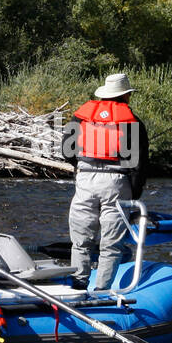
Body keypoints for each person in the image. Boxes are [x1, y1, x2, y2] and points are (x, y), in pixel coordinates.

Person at [61, 72, 149, 290]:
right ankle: (101, 292)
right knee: (111, 245)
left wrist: (82, 168)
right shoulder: (133, 122)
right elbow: (139, 166)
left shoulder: (81, 117)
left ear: (104, 94)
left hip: (84, 181)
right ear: (126, 96)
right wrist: (134, 194)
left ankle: (78, 287)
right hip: (117, 184)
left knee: (81, 242)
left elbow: (66, 151)